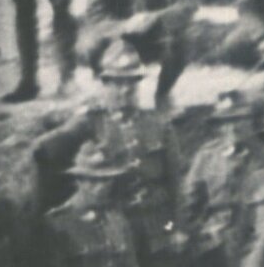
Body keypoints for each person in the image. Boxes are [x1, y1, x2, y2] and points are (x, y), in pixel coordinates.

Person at [31, 42, 185, 244]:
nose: (125, 90)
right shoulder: (91, 121)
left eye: (131, 83)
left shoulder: (159, 125)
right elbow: (47, 149)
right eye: (118, 83)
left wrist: (175, 228)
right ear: (105, 84)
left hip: (157, 224)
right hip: (115, 226)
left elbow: (175, 182)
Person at [175, 89, 264, 267]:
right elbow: (189, 198)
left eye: (238, 120)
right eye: (225, 122)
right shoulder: (207, 155)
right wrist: (186, 229)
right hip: (214, 226)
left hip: (253, 227)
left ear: (249, 121)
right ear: (217, 126)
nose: (232, 128)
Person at [40, 142, 142, 267]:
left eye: (106, 180)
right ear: (78, 181)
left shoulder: (118, 220)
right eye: (93, 181)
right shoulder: (58, 224)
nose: (101, 187)